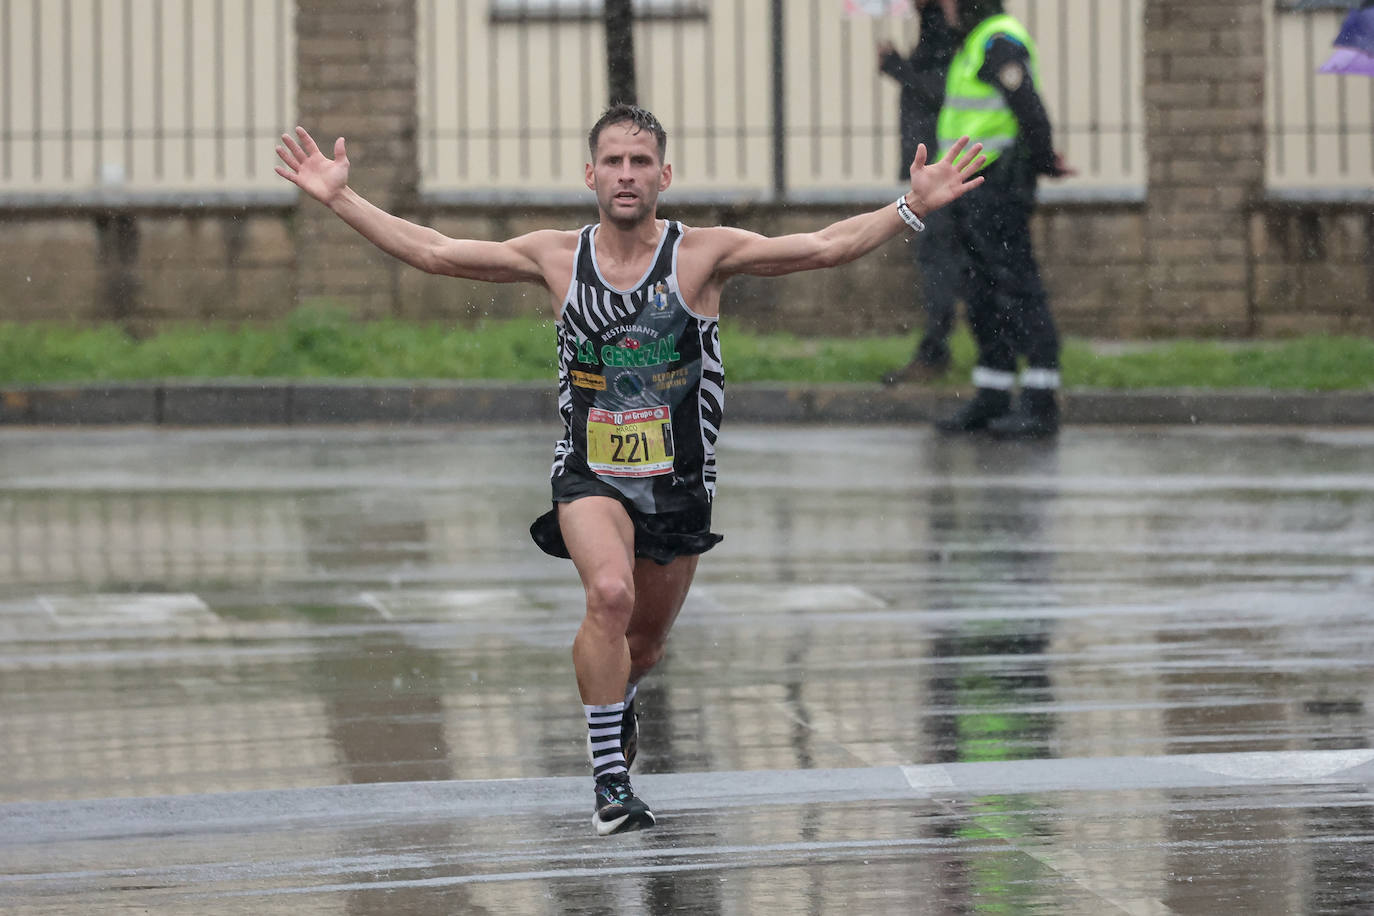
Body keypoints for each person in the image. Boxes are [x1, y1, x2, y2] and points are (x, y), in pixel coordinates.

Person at [274, 105, 985, 836]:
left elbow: (824, 246)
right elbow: (435, 250)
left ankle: (618, 700)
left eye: (640, 162)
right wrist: (340, 199)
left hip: (678, 486)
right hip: (590, 475)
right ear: (590, 175)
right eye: (612, 161)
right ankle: (610, 784)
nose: (625, 174)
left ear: (664, 177)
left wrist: (911, 206)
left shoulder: (701, 256)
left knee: (642, 644)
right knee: (608, 596)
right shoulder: (555, 257)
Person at [932, 0, 1074, 438]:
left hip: (998, 184)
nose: (944, 6)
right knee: (982, 290)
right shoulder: (975, 42)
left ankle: (1040, 398)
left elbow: (1027, 102)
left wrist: (1046, 159)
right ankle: (992, 394)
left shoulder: (998, 40)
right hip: (971, 186)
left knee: (1015, 285)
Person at [877, 0, 965, 384]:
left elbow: (943, 91)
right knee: (943, 261)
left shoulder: (950, 27)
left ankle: (936, 353)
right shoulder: (935, 23)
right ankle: (943, 351)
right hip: (933, 171)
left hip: (941, 173)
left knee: (940, 262)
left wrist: (897, 67)